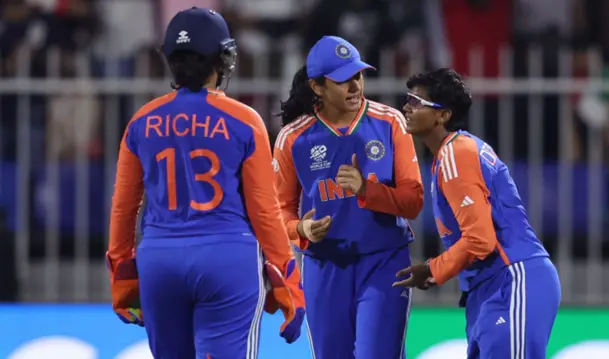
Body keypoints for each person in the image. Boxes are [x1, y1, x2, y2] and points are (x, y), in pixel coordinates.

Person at [106, 7, 305, 359]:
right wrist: (288, 281)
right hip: (227, 260)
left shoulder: (141, 122)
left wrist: (122, 278)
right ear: (224, 60)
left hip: (160, 262)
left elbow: (124, 207)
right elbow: (264, 209)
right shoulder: (245, 120)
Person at [393, 68, 561, 359]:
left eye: (416, 102)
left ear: (442, 115)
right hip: (488, 287)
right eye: (407, 99)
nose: (406, 107)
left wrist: (433, 269)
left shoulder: (456, 154)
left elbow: (481, 239)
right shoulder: (451, 155)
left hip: (511, 278)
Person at [273, 35, 424, 359]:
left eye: (358, 75)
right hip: (325, 266)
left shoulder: (390, 123)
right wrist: (301, 229)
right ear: (317, 87)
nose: (355, 86)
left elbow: (413, 201)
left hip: (384, 262)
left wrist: (367, 190)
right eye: (343, 80)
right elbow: (278, 210)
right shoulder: (293, 138)